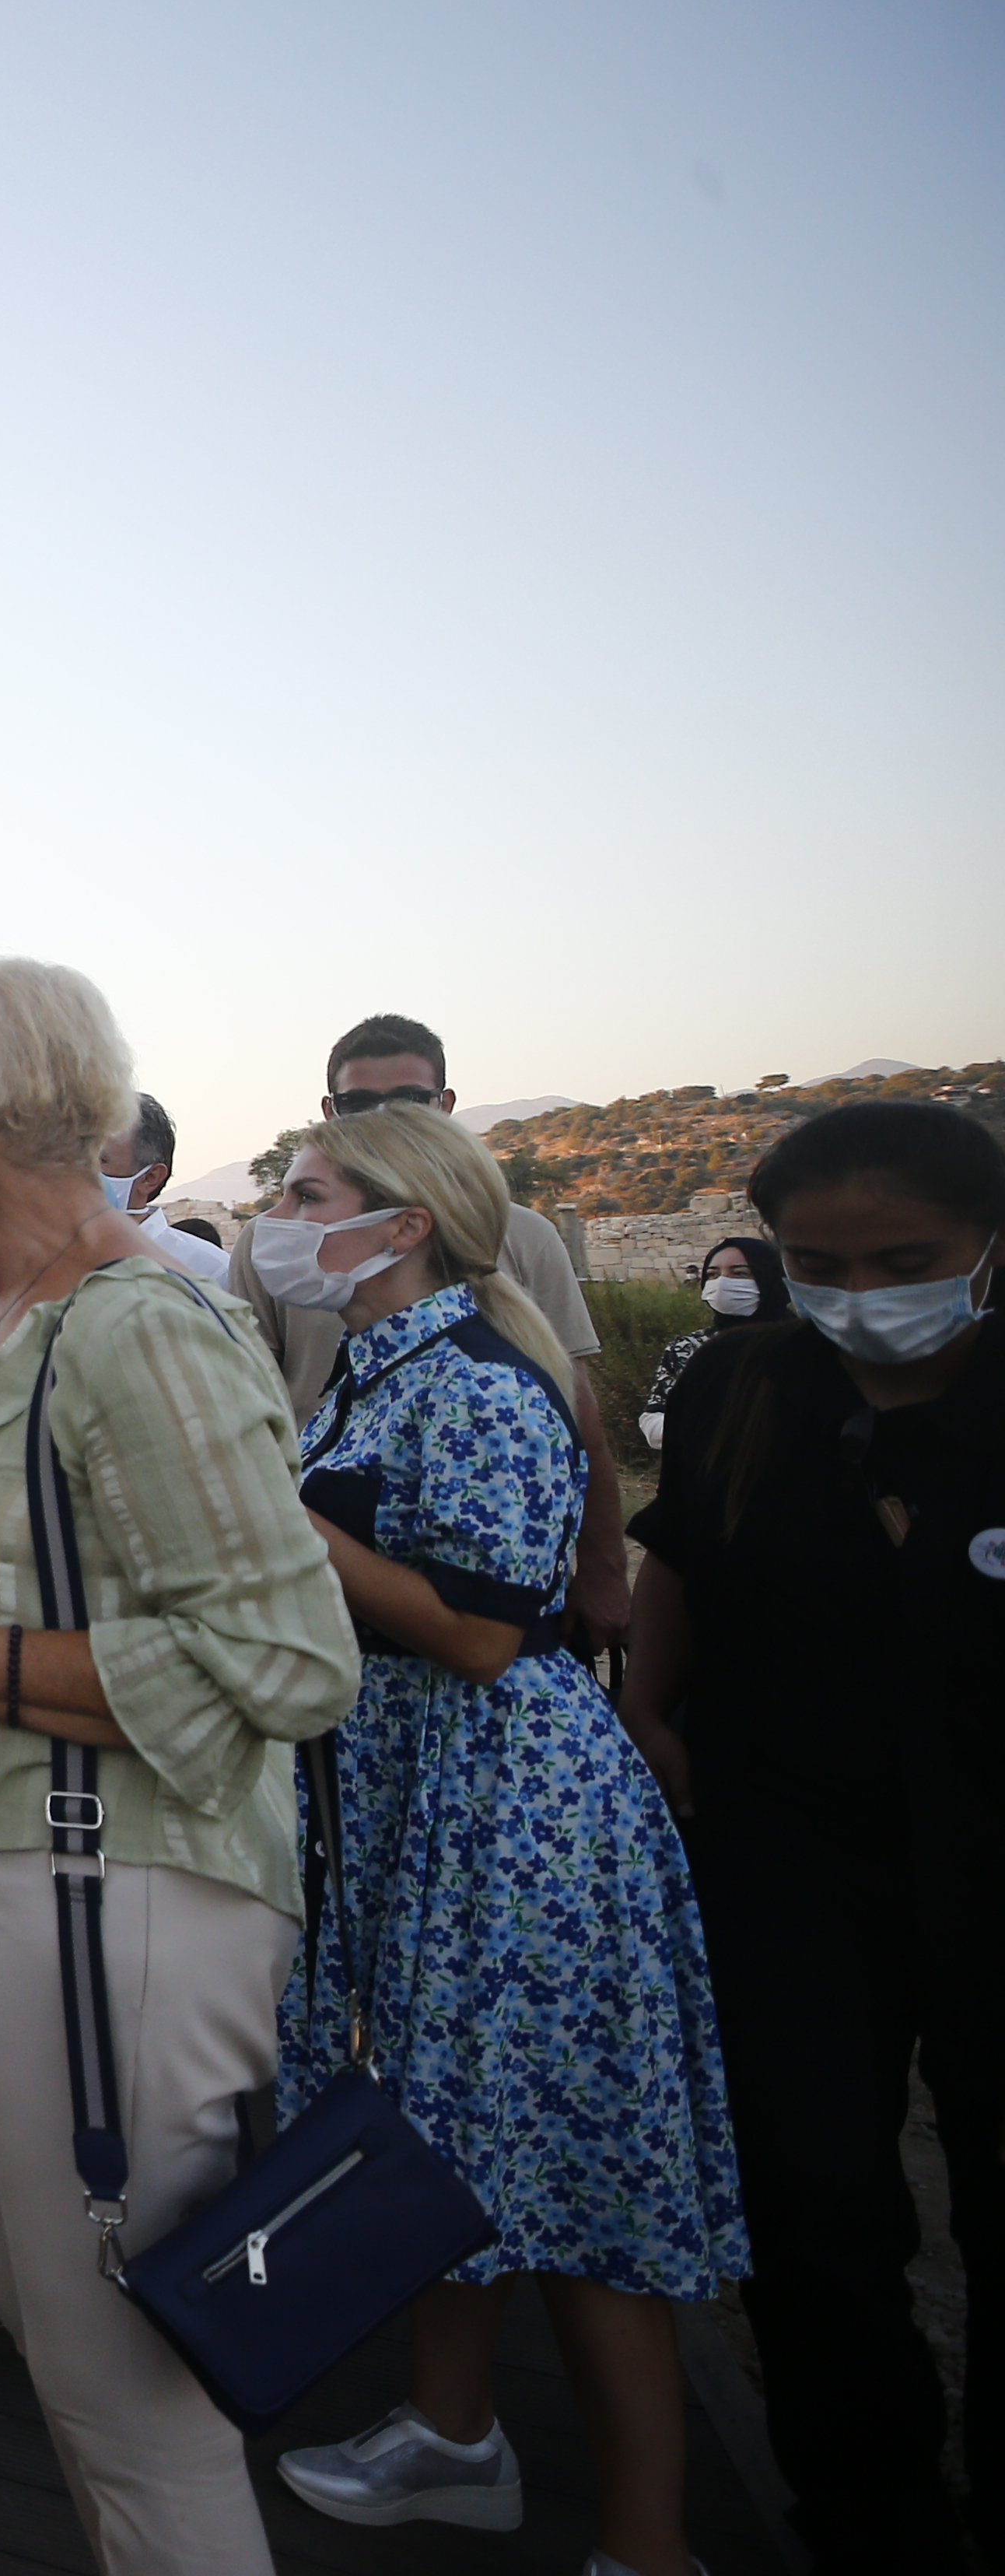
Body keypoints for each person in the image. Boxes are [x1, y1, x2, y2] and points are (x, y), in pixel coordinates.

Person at [0, 957, 358, 2576]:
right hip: (1, 1876)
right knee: (57, 2327)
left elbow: (291, 1663)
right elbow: (23, 1574)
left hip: (116, 1901)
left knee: (132, 2388)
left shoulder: (137, 1324)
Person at [254, 1107, 741, 2574]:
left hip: (503, 1815)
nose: (274, 1211)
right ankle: (451, 2431)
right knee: (439, 2129)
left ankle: (650, 2539)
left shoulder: (467, 1382)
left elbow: (474, 1629)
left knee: (572, 2159)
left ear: (400, 1224)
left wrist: (270, 1521)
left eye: (304, 1192)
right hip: (421, 1801)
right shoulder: (381, 1365)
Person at [622, 1100, 1001, 2570]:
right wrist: (650, 1715)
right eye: (815, 1265)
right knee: (809, 2209)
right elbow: (677, 1560)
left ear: (984, 1249)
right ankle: (866, 2516)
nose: (857, 1297)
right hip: (786, 1857)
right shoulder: (743, 1384)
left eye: (902, 1259)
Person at [227, 1014, 630, 1652]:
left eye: (408, 1102)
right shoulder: (367, 1353)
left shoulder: (484, 1384)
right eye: (360, 1104)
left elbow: (478, 1636)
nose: (384, 1118)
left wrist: (605, 1569)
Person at [637, 1234, 788, 1449]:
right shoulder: (689, 1347)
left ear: (770, 1276)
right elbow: (653, 1420)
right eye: (713, 1275)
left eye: (740, 1273)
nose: (723, 1283)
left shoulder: (807, 1343)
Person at [102, 1091, 231, 1286]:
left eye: (98, 1160)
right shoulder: (49, 1260)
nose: (76, 1170)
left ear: (150, 1178)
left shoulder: (210, 1270)